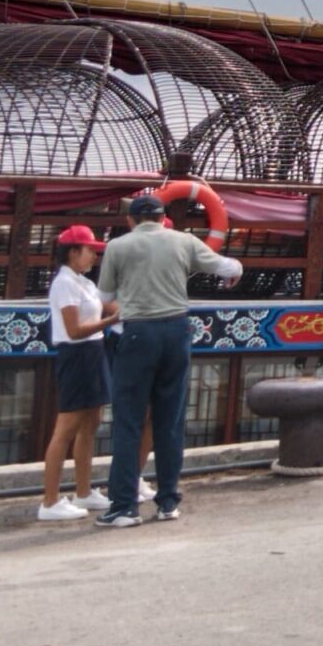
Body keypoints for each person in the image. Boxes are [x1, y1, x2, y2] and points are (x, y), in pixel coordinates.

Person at [94, 192, 243, 527]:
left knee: (129, 420)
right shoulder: (184, 241)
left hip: (137, 334)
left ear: (130, 220)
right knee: (170, 419)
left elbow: (103, 297)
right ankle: (168, 502)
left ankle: (123, 507)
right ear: (163, 218)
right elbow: (226, 267)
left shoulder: (119, 247)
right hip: (176, 332)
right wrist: (236, 271)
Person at [38, 226, 121, 522]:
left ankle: (83, 491)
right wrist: (111, 320)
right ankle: (49, 501)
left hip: (94, 353)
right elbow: (73, 331)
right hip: (77, 355)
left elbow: (108, 304)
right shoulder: (63, 284)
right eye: (90, 250)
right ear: (74, 252)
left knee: (91, 423)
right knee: (67, 427)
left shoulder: (84, 283)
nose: (94, 256)